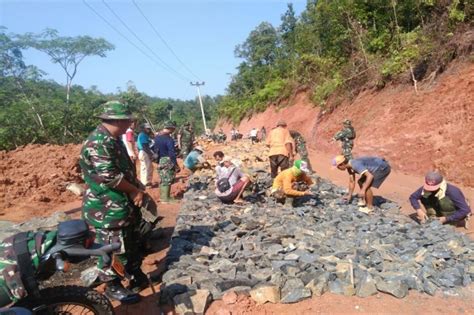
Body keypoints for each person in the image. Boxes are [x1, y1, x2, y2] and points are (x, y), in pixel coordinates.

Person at [79, 100, 148, 302]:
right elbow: (109, 176)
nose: (130, 125)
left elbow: (123, 170)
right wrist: (135, 190)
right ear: (117, 121)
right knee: (113, 247)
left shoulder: (113, 138)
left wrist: (138, 187)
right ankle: (112, 285)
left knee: (131, 241)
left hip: (120, 204)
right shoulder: (98, 142)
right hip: (106, 208)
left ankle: (135, 274)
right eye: (128, 121)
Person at [153, 121, 179, 203]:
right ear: (171, 128)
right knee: (167, 178)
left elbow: (154, 149)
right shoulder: (169, 139)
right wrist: (175, 164)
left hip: (160, 159)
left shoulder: (157, 137)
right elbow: (171, 153)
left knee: (162, 178)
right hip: (167, 159)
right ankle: (165, 198)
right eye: (173, 129)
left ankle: (163, 196)